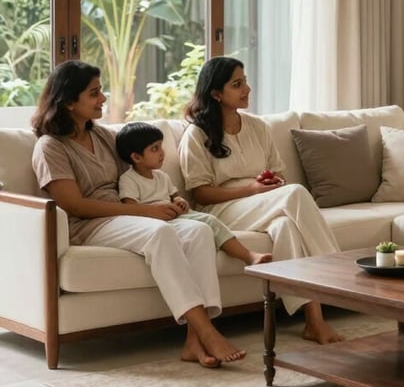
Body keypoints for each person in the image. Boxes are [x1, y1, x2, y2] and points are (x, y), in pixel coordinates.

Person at [31, 60, 246, 369]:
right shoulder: (50, 147)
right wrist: (145, 211)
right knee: (160, 232)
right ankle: (208, 331)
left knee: (200, 231)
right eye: (94, 93)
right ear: (67, 102)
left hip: (126, 217)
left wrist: (164, 202)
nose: (103, 98)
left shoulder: (104, 137)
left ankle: (192, 342)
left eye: (100, 91)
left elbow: (136, 175)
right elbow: (74, 205)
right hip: (89, 225)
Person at [178, 56, 343, 345]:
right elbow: (200, 193)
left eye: (245, 81)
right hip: (222, 209)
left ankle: (314, 322)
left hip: (262, 203)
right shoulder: (197, 134)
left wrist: (269, 184)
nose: (247, 89)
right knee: (295, 193)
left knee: (286, 228)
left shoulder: (257, 127)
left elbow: (278, 173)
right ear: (216, 94)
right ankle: (339, 271)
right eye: (237, 84)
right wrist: (253, 190)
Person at [115, 121, 272, 269]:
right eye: (154, 149)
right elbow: (131, 207)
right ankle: (248, 256)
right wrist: (157, 210)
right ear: (136, 157)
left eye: (161, 146)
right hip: (155, 220)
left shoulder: (162, 176)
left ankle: (248, 255)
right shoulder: (128, 179)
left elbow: (174, 196)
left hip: (176, 215)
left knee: (210, 221)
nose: (162, 153)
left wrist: (179, 201)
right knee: (207, 221)